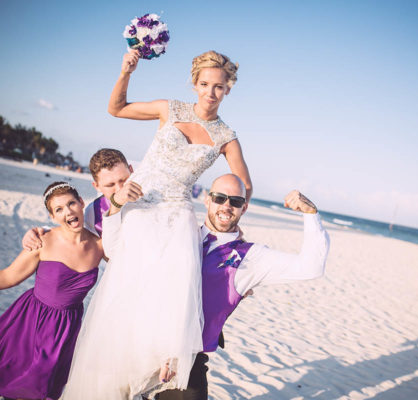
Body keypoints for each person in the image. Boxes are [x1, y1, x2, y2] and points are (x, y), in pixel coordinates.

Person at [62, 50, 252, 399]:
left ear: (228, 89)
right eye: (205, 84)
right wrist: (125, 71)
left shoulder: (226, 136)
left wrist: (229, 232)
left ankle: (157, 374)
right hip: (139, 206)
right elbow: (116, 108)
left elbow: (244, 188)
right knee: (128, 293)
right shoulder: (170, 109)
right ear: (195, 84)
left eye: (220, 87)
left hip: (179, 216)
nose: (211, 92)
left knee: (171, 297)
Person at [101, 174, 330, 400]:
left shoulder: (251, 257)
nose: (227, 206)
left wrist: (311, 214)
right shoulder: (177, 234)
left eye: (236, 201)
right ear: (207, 200)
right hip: (137, 347)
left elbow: (311, 267)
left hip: (186, 364)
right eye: (220, 198)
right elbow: (114, 252)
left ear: (244, 207)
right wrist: (115, 205)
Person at [0, 182, 103, 400]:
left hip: (67, 330)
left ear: (81, 203)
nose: (68, 211)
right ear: (53, 217)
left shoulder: (100, 246)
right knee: (21, 386)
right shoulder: (43, 242)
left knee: (44, 391)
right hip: (32, 323)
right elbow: (8, 277)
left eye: (71, 203)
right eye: (59, 209)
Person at [22, 148, 138, 250]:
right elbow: (78, 236)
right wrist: (39, 232)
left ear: (131, 170)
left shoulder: (153, 193)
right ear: (96, 186)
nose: (119, 189)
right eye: (110, 185)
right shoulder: (94, 212)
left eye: (123, 180)